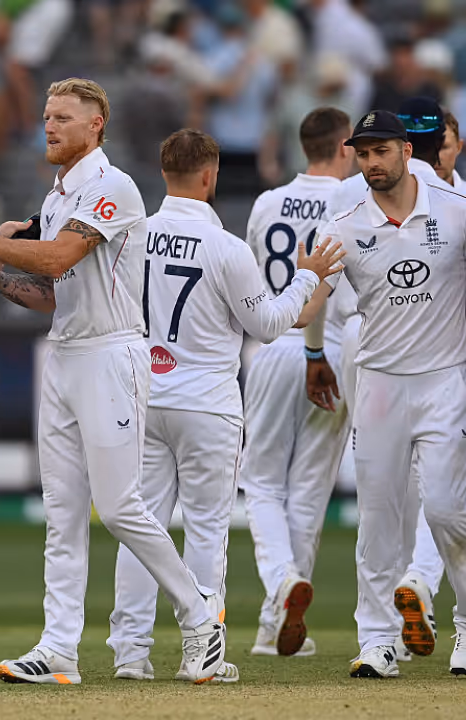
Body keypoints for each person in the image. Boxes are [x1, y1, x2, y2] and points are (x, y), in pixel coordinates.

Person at [0, 78, 227, 685]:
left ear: (97, 125)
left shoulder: (112, 187)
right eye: (46, 116)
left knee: (121, 506)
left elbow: (58, 258)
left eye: (64, 117)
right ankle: (59, 648)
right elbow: (49, 295)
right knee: (62, 512)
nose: (49, 126)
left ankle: (202, 620)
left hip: (112, 355)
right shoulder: (55, 197)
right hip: (66, 354)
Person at [107, 129, 343, 682]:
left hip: (145, 394)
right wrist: (308, 276)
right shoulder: (226, 247)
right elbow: (267, 325)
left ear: (165, 172)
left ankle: (130, 653)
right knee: (207, 529)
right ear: (210, 176)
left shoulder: (133, 234)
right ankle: (201, 651)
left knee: (143, 525)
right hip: (207, 402)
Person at [306, 109, 466, 678]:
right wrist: (291, 315)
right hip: (378, 386)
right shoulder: (344, 224)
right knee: (377, 515)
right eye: (362, 153)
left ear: (404, 149)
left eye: (381, 151)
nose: (371, 163)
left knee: (448, 511)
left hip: (446, 381)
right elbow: (309, 299)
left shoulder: (454, 210)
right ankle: (377, 641)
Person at [238, 107, 355, 657]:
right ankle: (273, 619)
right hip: (330, 350)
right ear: (346, 146)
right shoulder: (353, 198)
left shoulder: (266, 202)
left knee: (262, 484)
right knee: (308, 492)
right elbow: (332, 281)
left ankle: (280, 588)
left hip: (276, 342)